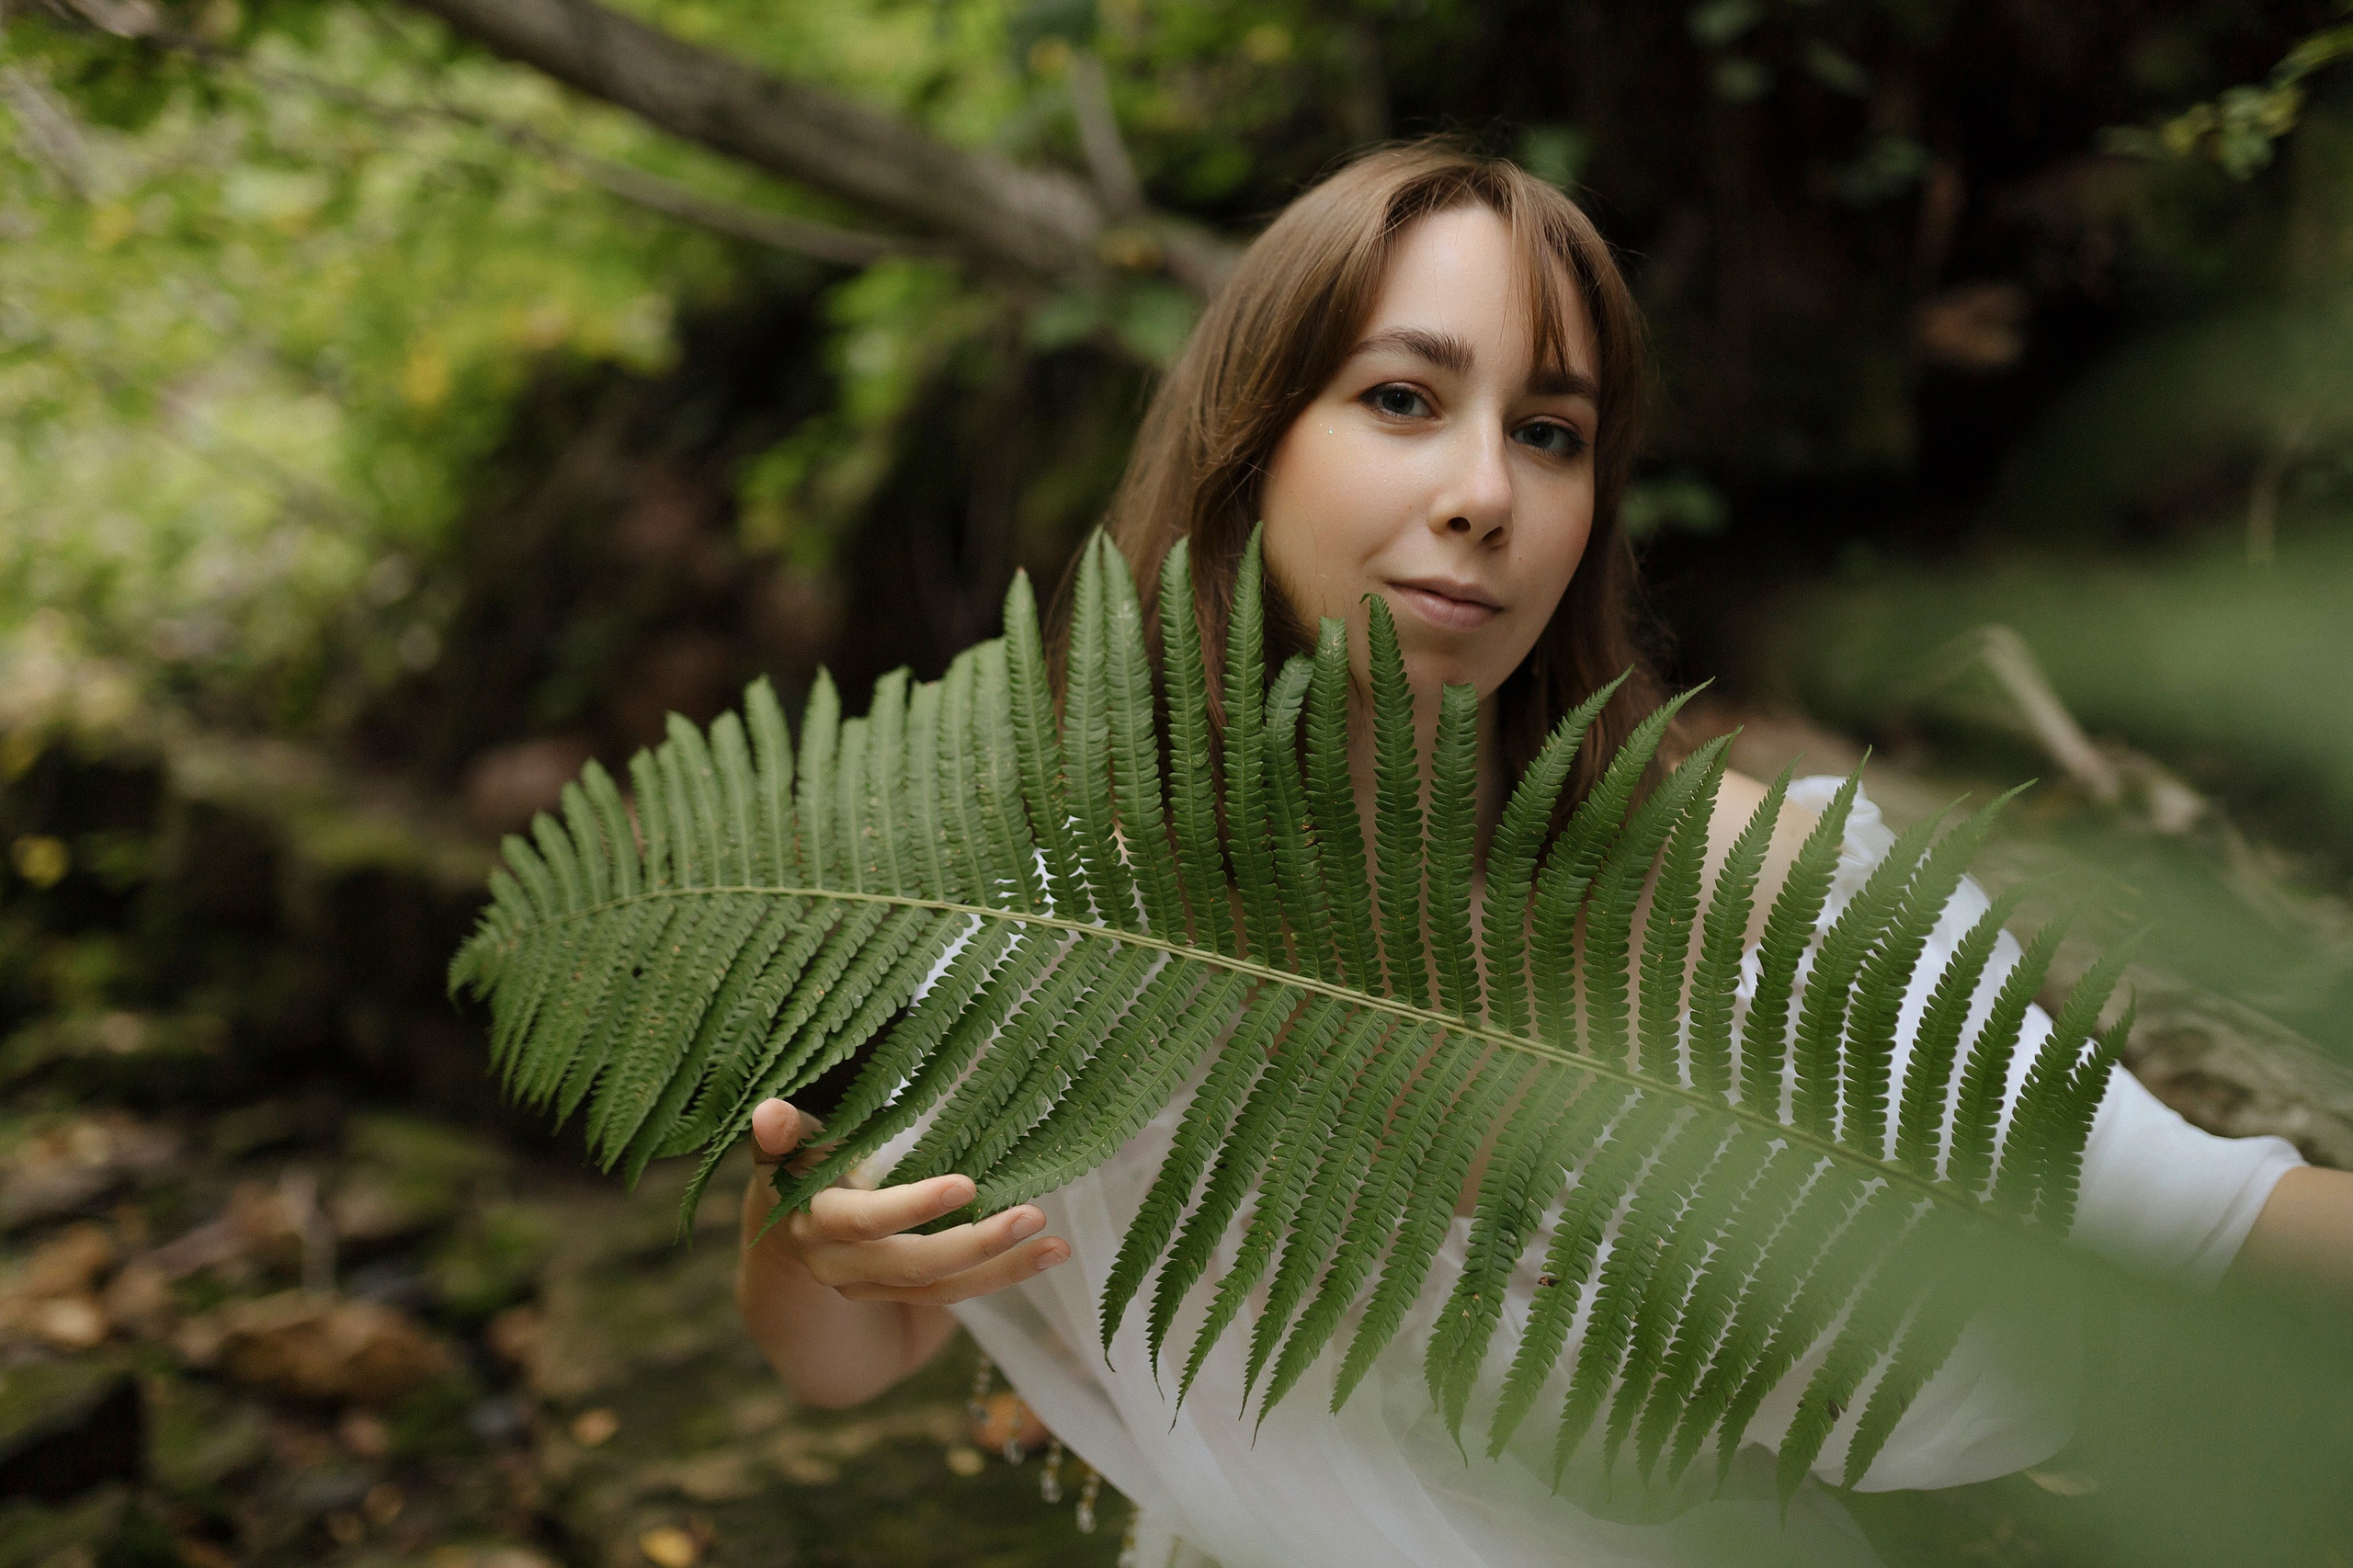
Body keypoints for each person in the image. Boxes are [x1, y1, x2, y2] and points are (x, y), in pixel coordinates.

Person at [733, 142, 2353, 1567]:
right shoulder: (1046, 930)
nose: (1486, 492)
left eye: (1555, 432)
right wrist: (798, 1227)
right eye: (1402, 400)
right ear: (1249, 441)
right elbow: (846, 1364)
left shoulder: (1747, 886)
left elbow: (2199, 1219)